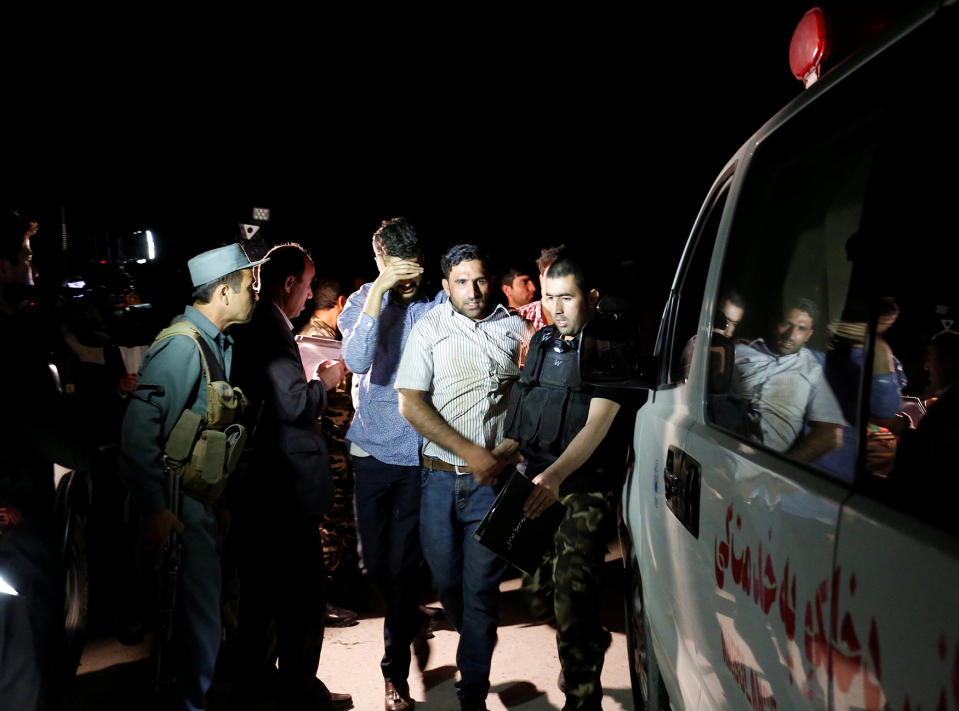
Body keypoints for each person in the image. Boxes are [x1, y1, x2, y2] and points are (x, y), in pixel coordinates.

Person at [120, 243, 264, 711]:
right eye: (250, 284)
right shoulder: (183, 346)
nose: (256, 292)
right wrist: (156, 511)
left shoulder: (213, 344)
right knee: (193, 629)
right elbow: (138, 438)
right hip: (177, 509)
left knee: (201, 625)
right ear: (224, 291)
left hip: (198, 503)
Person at [396, 244, 534, 711]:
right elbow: (411, 403)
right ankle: (469, 640)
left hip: (492, 487)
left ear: (490, 280)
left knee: (480, 594)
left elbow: (532, 407)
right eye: (460, 281)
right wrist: (471, 452)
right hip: (437, 482)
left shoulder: (517, 329)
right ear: (445, 285)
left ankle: (471, 692)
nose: (472, 291)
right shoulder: (428, 329)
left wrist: (503, 453)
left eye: (479, 280)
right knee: (447, 583)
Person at [495, 249, 632, 711]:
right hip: (538, 485)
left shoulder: (611, 346)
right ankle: (589, 642)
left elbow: (596, 426)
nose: (556, 307)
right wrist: (501, 454)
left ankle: (582, 697)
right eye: (550, 297)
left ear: (590, 298)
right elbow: (527, 409)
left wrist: (553, 478)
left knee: (572, 594)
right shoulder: (542, 342)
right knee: (537, 597)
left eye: (567, 298)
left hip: (582, 487)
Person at [231, 243, 352, 711]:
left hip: (260, 486)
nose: (307, 296)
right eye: (304, 286)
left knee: (261, 599)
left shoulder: (257, 327)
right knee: (301, 599)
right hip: (282, 487)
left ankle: (258, 688)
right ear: (288, 285)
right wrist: (324, 381)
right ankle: (300, 691)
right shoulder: (271, 329)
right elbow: (294, 404)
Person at [338, 217, 438, 711]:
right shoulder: (361, 303)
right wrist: (379, 290)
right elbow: (356, 360)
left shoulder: (436, 304)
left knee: (399, 571)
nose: (409, 279)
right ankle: (406, 613)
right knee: (373, 564)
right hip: (372, 451)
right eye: (398, 268)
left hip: (419, 456)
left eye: (415, 268)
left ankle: (392, 674)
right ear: (380, 261)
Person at [0, 211, 86, 710]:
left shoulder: (18, 331)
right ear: (2, 265)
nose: (33, 269)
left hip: (22, 514)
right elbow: (37, 424)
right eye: (26, 258)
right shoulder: (9, 340)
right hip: (15, 524)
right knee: (26, 654)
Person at [730, 298, 846, 460]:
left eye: (801, 328)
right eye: (787, 324)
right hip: (725, 446)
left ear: (808, 335)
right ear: (775, 323)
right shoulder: (741, 351)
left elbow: (831, 433)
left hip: (767, 468)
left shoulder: (812, 370)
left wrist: (779, 474)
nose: (791, 335)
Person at [516, 245, 565, 330]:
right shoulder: (519, 318)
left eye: (562, 279)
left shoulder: (582, 318)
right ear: (541, 280)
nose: (556, 286)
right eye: (550, 278)